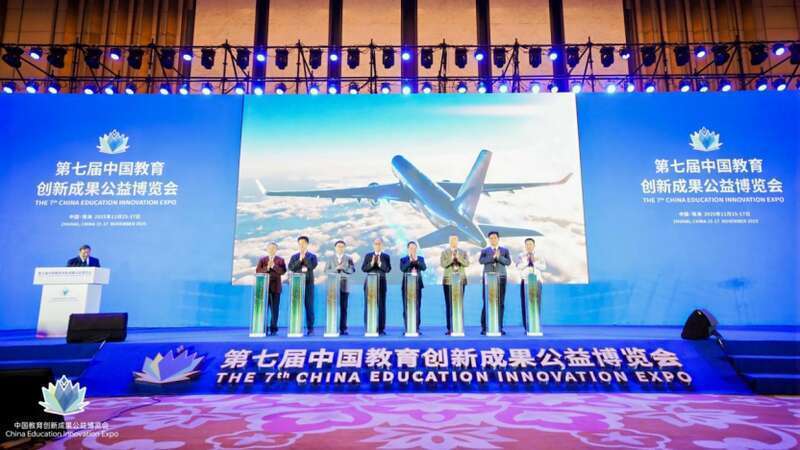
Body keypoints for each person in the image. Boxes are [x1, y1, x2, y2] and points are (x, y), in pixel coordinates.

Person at [479, 231, 511, 335]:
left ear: (498, 239)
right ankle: (485, 327)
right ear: (489, 239)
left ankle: (499, 327)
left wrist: (499, 257)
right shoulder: (485, 250)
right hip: (488, 279)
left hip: (501, 278)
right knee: (486, 302)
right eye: (491, 238)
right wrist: (493, 257)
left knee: (500, 303)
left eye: (495, 238)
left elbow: (508, 262)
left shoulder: (504, 250)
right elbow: (481, 261)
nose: (493, 240)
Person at [287, 236, 318, 336]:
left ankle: (310, 328)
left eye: (304, 243)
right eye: (300, 243)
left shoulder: (312, 256)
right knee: (296, 306)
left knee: (309, 306)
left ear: (307, 244)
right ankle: (296, 327)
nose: (302, 245)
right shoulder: (294, 256)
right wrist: (300, 260)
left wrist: (304, 258)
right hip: (297, 285)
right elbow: (291, 268)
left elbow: (311, 266)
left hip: (309, 284)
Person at [325, 240, 356, 335]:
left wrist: (344, 268)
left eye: (342, 246)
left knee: (344, 307)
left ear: (344, 248)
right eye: (338, 246)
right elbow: (326, 271)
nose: (340, 248)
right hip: (332, 286)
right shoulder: (330, 258)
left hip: (344, 285)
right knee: (332, 307)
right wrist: (335, 269)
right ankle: (332, 327)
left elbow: (352, 270)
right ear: (335, 248)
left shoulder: (348, 258)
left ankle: (343, 328)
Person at [440, 234, 469, 336]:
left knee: (459, 304)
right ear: (449, 241)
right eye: (452, 240)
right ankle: (450, 328)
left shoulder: (463, 252)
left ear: (458, 241)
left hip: (460, 281)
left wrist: (458, 258)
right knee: (449, 304)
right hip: (448, 281)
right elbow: (443, 264)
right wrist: (451, 258)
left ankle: (459, 326)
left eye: (455, 240)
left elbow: (467, 263)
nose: (453, 242)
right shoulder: (444, 252)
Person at [361, 237, 391, 336]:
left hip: (381, 283)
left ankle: (381, 328)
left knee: (381, 306)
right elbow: (364, 269)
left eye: (379, 244)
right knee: (368, 305)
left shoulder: (386, 256)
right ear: (373, 245)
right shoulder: (368, 255)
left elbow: (387, 269)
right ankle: (369, 327)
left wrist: (379, 263)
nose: (377, 245)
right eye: (376, 244)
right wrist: (371, 263)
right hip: (370, 283)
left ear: (382, 245)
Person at [256, 242, 287, 335]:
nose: (271, 250)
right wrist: (267, 267)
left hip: (276, 288)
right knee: (264, 309)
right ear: (267, 249)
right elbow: (258, 271)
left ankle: (273, 329)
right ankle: (263, 328)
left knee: (274, 310)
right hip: (264, 288)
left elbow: (283, 271)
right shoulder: (262, 260)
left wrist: (273, 266)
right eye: (270, 248)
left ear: (276, 250)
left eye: (273, 248)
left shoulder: (280, 260)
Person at [516, 237, 546, 330]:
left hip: (537, 281)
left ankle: (536, 323)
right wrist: (527, 262)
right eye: (527, 244)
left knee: (537, 302)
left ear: (534, 245)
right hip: (525, 282)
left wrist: (534, 262)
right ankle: (527, 325)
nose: (529, 246)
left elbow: (543, 267)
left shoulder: (539, 256)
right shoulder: (521, 256)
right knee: (525, 302)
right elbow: (518, 266)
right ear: (525, 246)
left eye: (531, 244)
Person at [399, 241, 427, 334]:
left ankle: (416, 328)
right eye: (411, 248)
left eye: (414, 248)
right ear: (408, 249)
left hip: (417, 286)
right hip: (406, 286)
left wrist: (417, 261)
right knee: (406, 307)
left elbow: (424, 268)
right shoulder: (403, 259)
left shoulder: (420, 258)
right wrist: (410, 261)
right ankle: (408, 327)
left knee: (417, 306)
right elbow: (403, 269)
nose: (413, 250)